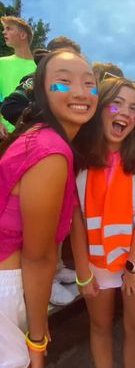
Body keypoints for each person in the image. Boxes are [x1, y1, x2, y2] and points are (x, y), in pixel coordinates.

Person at [0, 48, 98, 367]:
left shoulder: (39, 138)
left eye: (89, 83)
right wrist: (38, 339)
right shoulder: (51, 152)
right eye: (64, 82)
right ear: (42, 91)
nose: (81, 91)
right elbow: (38, 256)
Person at [71, 77, 135, 368]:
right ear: (100, 107)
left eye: (133, 108)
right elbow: (75, 219)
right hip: (96, 260)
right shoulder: (79, 158)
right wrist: (81, 271)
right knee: (99, 326)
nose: (125, 113)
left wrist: (131, 266)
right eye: (116, 103)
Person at [0, 15, 36, 135]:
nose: (4, 32)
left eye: (9, 29)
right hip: (5, 134)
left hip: (31, 132)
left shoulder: (40, 67)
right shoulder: (1, 63)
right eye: (4, 29)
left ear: (23, 35)